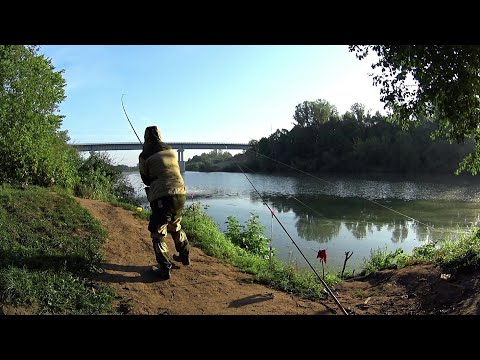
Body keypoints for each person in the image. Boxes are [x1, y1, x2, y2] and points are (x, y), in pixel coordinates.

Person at [139, 126, 190, 280]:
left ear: (146, 137)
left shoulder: (145, 154)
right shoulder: (171, 150)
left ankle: (164, 267)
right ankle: (185, 255)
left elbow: (146, 179)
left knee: (158, 232)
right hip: (180, 193)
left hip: (162, 196)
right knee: (175, 225)